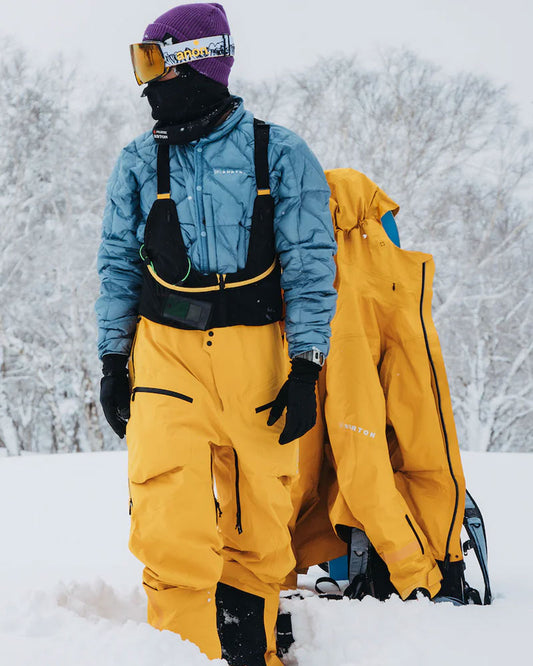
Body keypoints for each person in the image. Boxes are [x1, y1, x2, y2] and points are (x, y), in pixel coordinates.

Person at [95, 4, 337, 665]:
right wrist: (113, 361)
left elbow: (311, 266)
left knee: (260, 520)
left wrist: (306, 368)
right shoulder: (138, 162)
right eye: (141, 64)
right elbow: (117, 267)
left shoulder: (280, 154)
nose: (147, 84)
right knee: (167, 517)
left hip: (257, 362)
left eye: (154, 63)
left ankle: (250, 650)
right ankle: (182, 654)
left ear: (197, 62)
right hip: (166, 358)